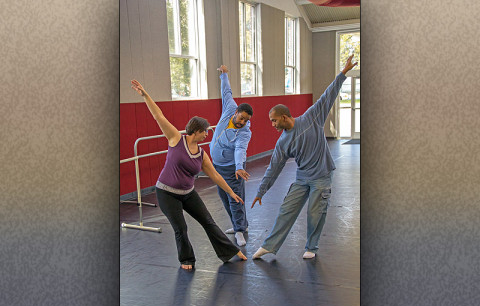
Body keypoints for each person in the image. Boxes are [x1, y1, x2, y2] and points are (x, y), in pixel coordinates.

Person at [131, 79, 247, 270]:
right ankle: (187, 259)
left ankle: (230, 251)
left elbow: (216, 176)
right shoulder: (175, 138)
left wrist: (231, 193)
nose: (207, 135)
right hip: (167, 193)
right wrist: (145, 95)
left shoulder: (201, 154)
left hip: (188, 194)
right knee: (181, 228)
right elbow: (158, 116)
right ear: (197, 131)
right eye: (205, 132)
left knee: (208, 222)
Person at [251, 55, 358, 260]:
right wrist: (261, 191)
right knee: (286, 210)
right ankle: (269, 246)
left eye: (274, 121)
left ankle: (312, 247)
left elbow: (328, 96)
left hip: (322, 176)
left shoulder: (311, 117)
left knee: (315, 213)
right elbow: (273, 168)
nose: (272, 125)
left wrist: (343, 74)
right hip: (302, 178)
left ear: (284, 117)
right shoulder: (283, 142)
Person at [209, 65, 253, 247]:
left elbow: (240, 149)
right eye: (241, 118)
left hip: (231, 169)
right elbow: (226, 92)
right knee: (224, 197)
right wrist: (224, 75)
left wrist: (239, 167)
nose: (242, 122)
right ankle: (238, 225)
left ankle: (240, 230)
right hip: (216, 167)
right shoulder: (229, 109)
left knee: (235, 199)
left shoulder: (244, 133)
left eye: (246, 120)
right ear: (236, 113)